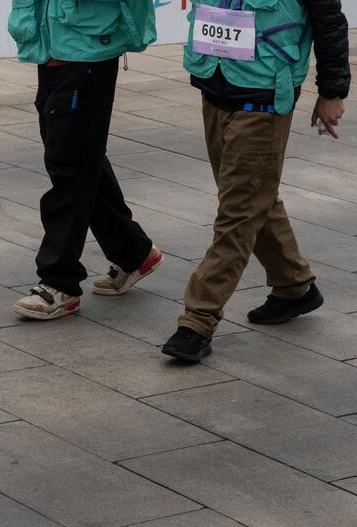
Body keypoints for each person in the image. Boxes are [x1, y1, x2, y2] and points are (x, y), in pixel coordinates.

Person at [162, 0, 351, 362]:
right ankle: (294, 286)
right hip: (215, 87)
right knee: (252, 197)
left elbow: (329, 21)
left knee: (238, 210)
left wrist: (332, 91)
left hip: (264, 96)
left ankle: (198, 319)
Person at [8, 0, 164, 320]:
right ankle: (133, 252)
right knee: (79, 156)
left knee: (70, 165)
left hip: (87, 49)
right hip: (52, 44)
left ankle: (59, 281)